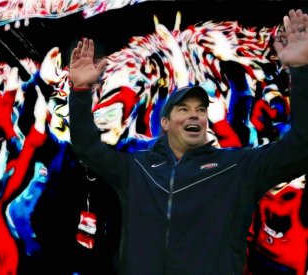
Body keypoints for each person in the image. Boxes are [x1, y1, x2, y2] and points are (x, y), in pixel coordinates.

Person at [68, 9, 308, 275]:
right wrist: (80, 91)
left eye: (201, 109)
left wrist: (300, 70)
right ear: (165, 124)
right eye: (183, 109)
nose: (194, 113)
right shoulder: (136, 169)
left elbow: (300, 148)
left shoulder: (237, 168)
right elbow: (86, 147)